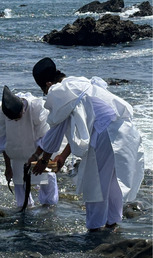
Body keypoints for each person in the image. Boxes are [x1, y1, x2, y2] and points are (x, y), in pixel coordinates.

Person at [31, 57, 144, 231]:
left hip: (106, 134)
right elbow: (79, 126)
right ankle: (112, 222)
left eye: (43, 91)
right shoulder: (77, 83)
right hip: (124, 130)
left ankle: (95, 228)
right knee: (113, 181)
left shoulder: (59, 91)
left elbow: (56, 131)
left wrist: (44, 160)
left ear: (48, 84)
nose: (46, 95)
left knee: (96, 184)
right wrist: (62, 156)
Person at [0, 85, 59, 208]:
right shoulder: (1, 113)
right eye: (12, 119)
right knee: (19, 185)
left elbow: (46, 137)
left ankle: (49, 208)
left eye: (18, 117)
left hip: (40, 153)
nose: (15, 121)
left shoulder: (35, 107)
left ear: (22, 109)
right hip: (17, 154)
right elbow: (2, 142)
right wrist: (8, 167)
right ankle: (26, 210)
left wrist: (37, 156)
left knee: (47, 180)